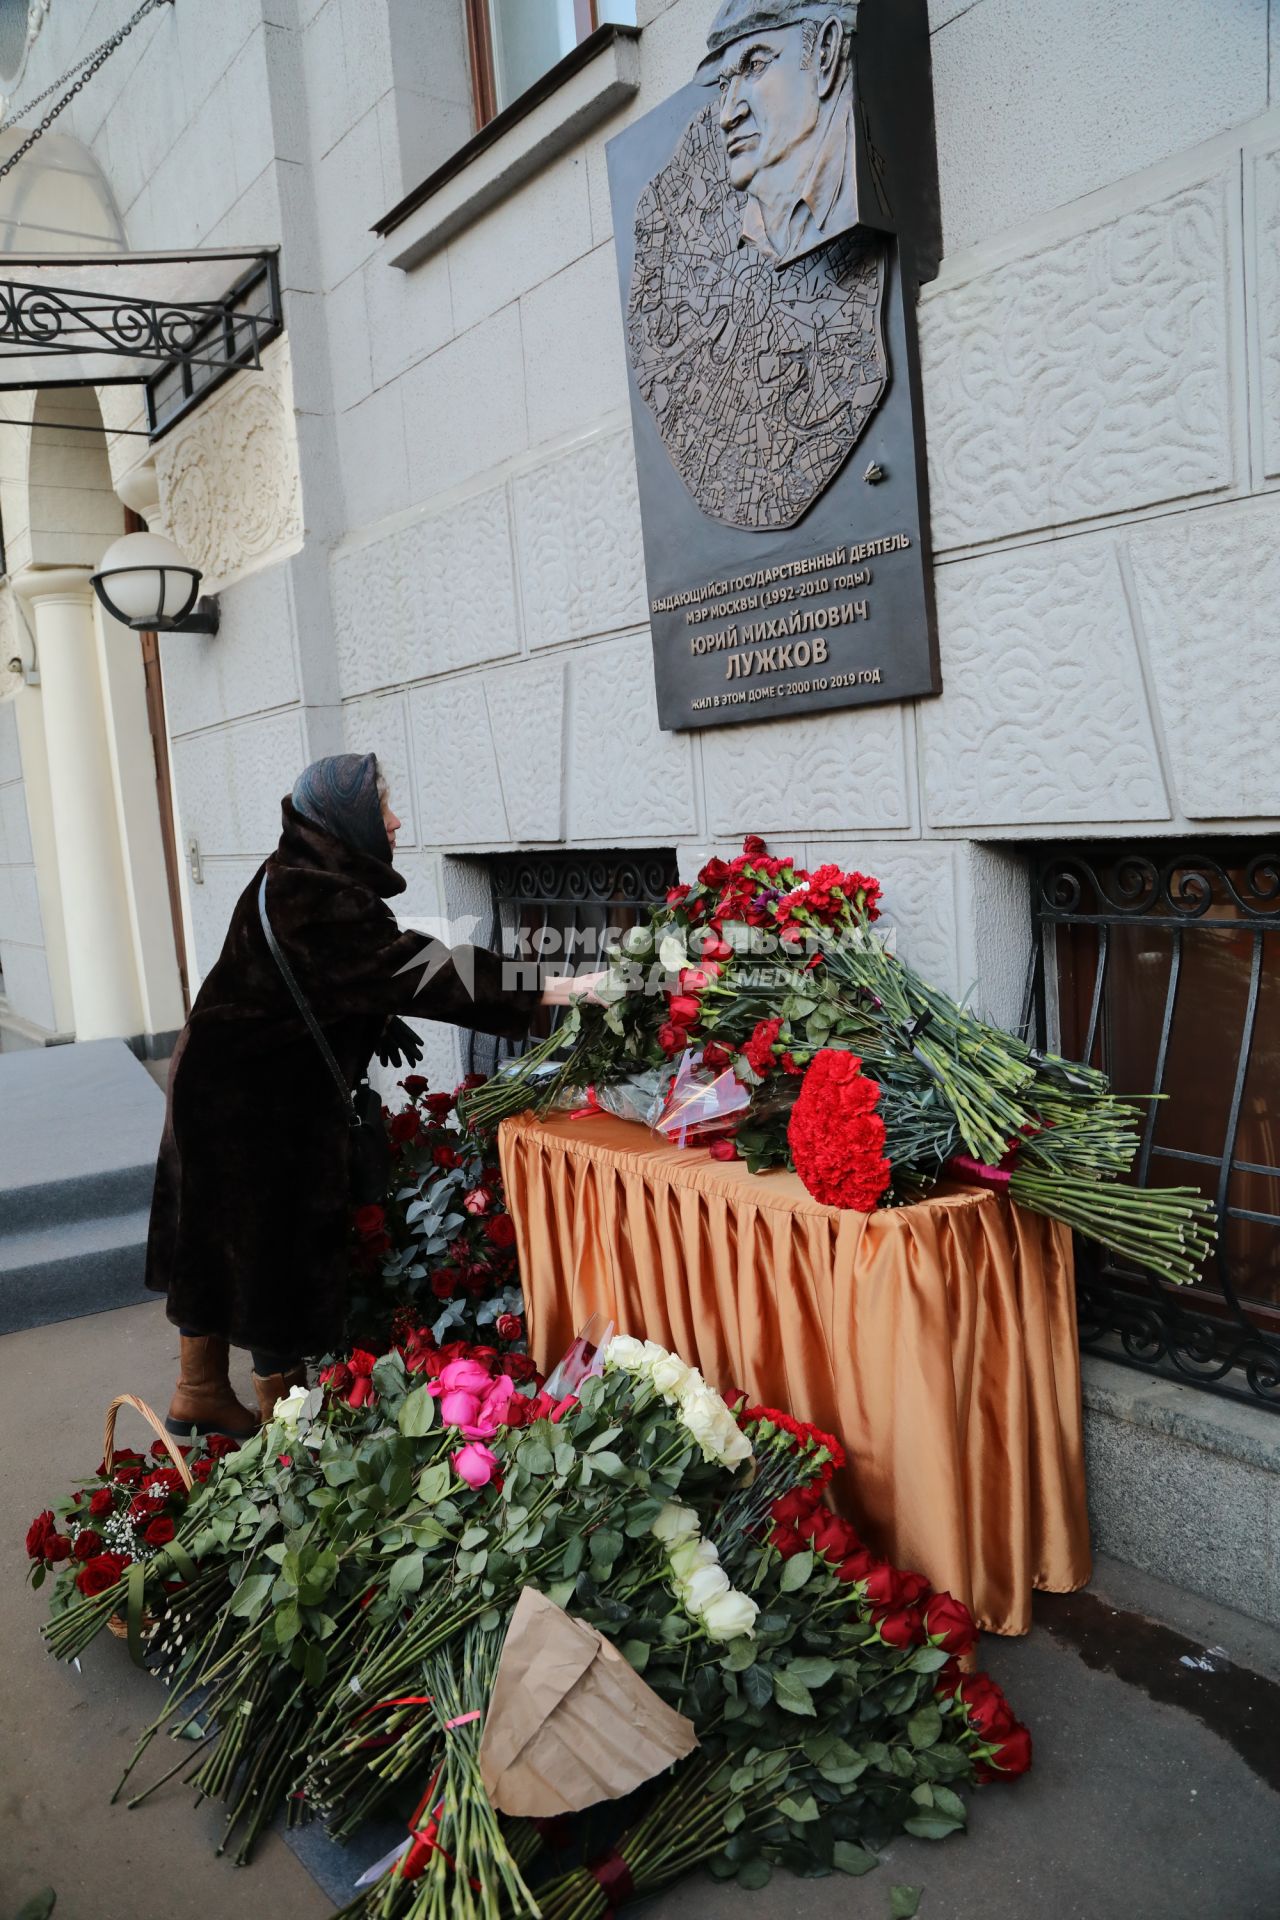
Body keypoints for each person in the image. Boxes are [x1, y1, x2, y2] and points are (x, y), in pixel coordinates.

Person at [146, 753, 595, 1438]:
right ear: (347, 817)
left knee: (214, 1236)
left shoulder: (291, 873)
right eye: (383, 808)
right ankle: (284, 1435)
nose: (394, 820)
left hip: (214, 1082)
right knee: (275, 1259)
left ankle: (198, 1386)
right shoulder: (321, 897)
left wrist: (371, 1021)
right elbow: (416, 967)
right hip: (257, 1109)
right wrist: (548, 988)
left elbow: (323, 978)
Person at [706, 1, 860, 267]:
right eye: (723, 85)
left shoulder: (860, 181)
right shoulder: (757, 227)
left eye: (755, 65)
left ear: (825, 54)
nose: (727, 116)